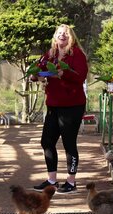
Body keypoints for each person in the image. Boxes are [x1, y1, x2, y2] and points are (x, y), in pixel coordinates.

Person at [31, 24, 88, 194]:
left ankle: (71, 182)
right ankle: (52, 180)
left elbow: (80, 76)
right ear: (55, 37)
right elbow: (39, 68)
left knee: (69, 143)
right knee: (47, 141)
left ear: (71, 37)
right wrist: (35, 75)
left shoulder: (76, 54)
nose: (62, 36)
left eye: (66, 34)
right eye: (59, 33)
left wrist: (62, 74)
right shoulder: (50, 54)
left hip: (72, 105)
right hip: (53, 105)